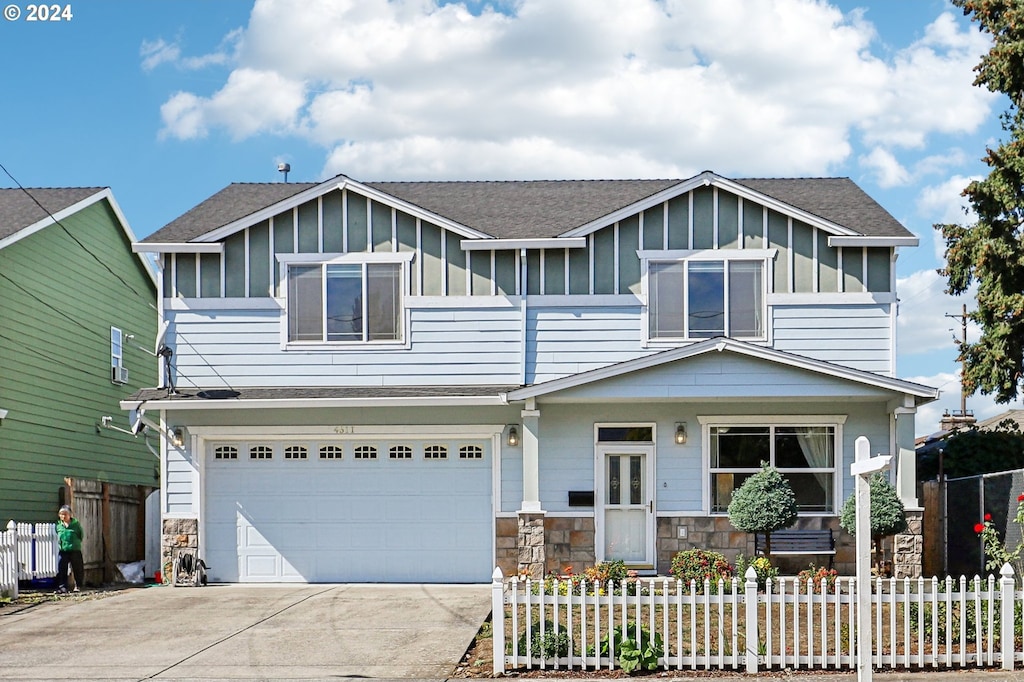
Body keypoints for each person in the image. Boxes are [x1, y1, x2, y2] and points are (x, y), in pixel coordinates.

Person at [55, 505, 84, 594]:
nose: (63, 516)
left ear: (70, 515)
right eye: (61, 514)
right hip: (63, 550)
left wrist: (75, 543)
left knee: (77, 568)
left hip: (75, 549)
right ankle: (63, 587)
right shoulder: (58, 525)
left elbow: (81, 535)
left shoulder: (76, 524)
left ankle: (78, 585)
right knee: (62, 568)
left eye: (65, 514)